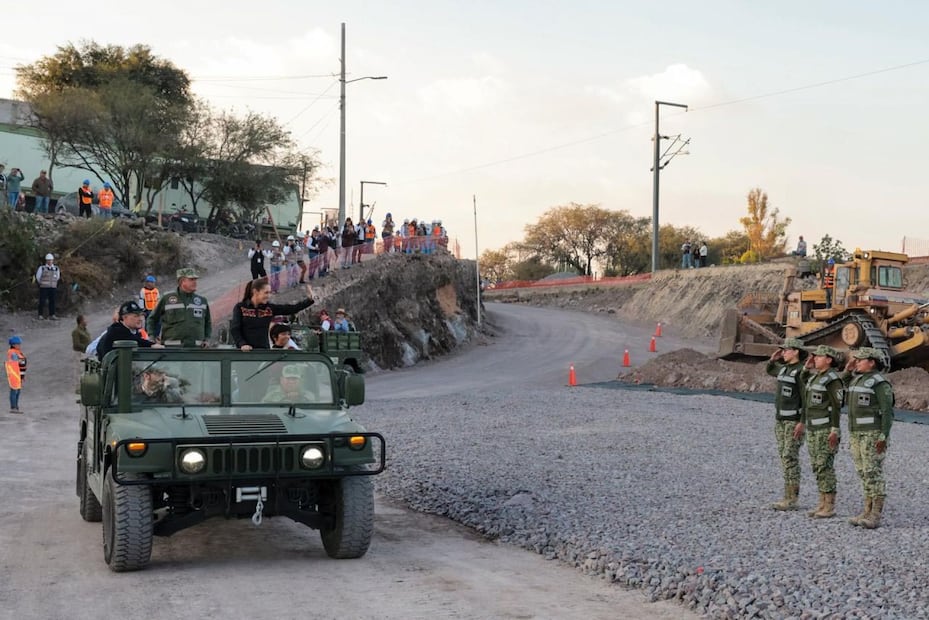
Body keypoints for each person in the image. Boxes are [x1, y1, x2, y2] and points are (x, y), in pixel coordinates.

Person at [842, 347, 894, 529]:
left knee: (872, 471)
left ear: (872, 362)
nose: (856, 362)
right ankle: (866, 510)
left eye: (860, 360)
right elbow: (841, 384)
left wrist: (883, 435)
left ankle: (875, 515)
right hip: (856, 432)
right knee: (862, 471)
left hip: (872, 433)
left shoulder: (880, 383)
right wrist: (847, 370)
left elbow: (887, 411)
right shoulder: (857, 379)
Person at [793, 345, 844, 519]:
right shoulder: (816, 377)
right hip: (814, 428)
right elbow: (805, 391)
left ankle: (829, 505)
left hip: (825, 429)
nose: (815, 359)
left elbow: (837, 407)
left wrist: (835, 430)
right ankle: (821, 502)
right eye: (814, 356)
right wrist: (806, 369)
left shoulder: (832, 380)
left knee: (824, 465)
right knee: (816, 466)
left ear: (829, 359)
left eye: (819, 356)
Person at [766, 338, 809, 511]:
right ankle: (787, 495)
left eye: (786, 350)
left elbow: (806, 399)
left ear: (796, 351)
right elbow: (771, 370)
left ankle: (792, 498)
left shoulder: (801, 372)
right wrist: (772, 359)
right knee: (784, 456)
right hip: (781, 420)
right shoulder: (784, 368)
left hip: (793, 421)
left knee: (790, 456)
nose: (783, 353)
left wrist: (802, 422)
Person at [230, 277, 315, 350]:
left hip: (264, 351)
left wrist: (309, 300)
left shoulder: (269, 309)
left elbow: (291, 309)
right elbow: (235, 329)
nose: (269, 296)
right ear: (255, 292)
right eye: (266, 292)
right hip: (244, 353)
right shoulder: (240, 307)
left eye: (270, 292)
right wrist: (242, 344)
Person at [146, 268, 211, 347]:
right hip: (172, 349)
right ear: (182, 281)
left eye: (195, 279)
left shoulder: (202, 301)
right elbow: (152, 319)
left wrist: (207, 339)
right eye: (191, 279)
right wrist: (152, 336)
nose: (195, 282)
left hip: (196, 349)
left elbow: (208, 322)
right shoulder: (167, 299)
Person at [97, 301, 164, 360]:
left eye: (141, 315)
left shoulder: (133, 332)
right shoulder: (116, 331)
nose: (140, 319)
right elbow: (134, 340)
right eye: (136, 316)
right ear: (124, 317)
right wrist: (152, 345)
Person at [36, 253, 61, 320]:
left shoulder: (56, 268)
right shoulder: (42, 268)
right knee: (42, 301)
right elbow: (38, 277)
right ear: (46, 261)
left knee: (52, 301)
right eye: (48, 260)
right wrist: (42, 283)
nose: (50, 261)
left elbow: (57, 277)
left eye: (51, 260)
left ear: (53, 260)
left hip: (52, 287)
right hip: (44, 287)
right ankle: (40, 314)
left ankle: (52, 314)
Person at [6, 335, 26, 414]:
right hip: (14, 375)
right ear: (13, 345)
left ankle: (16, 407)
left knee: (18, 391)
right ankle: (13, 407)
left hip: (19, 375)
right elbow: (16, 363)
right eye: (18, 344)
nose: (19, 345)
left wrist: (22, 376)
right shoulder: (12, 352)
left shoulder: (18, 352)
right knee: (14, 391)